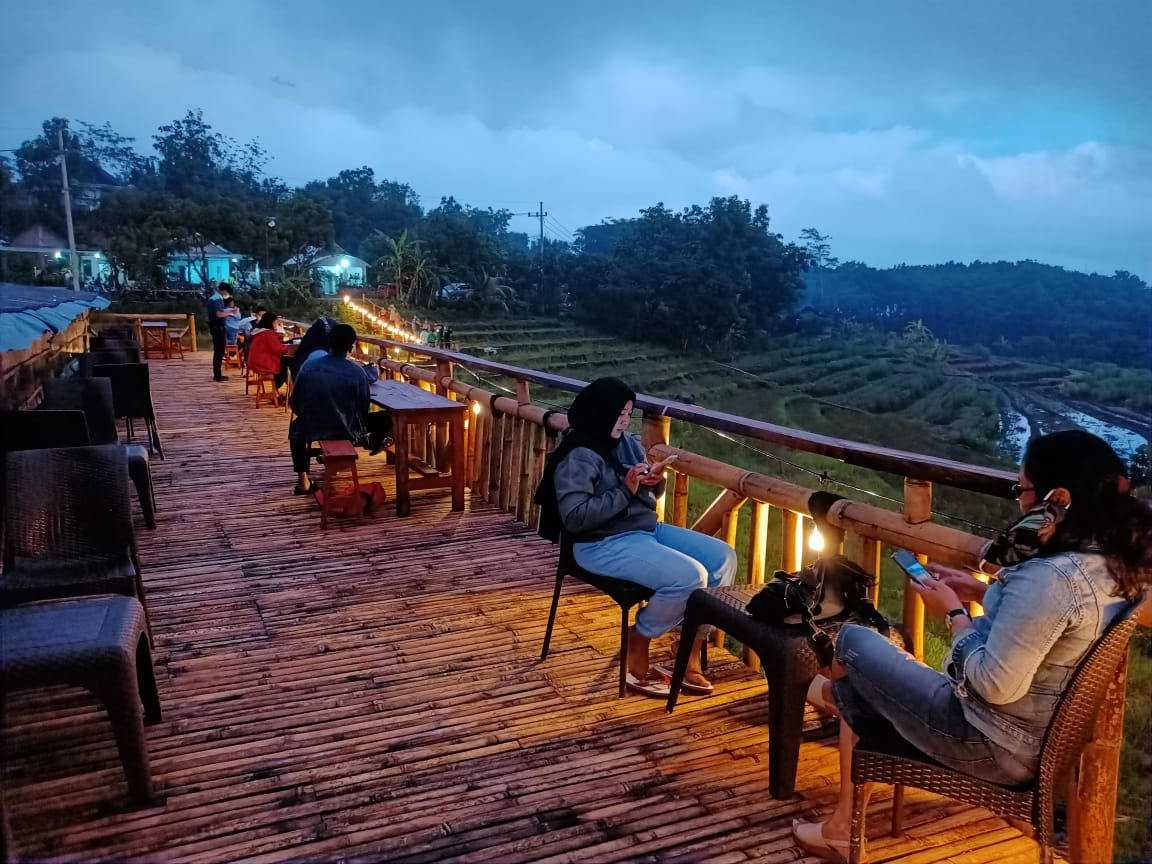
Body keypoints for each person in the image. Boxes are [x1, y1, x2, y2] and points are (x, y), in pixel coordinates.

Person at [792, 430, 1151, 862]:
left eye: (1022, 490)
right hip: (1030, 738)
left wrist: (953, 614)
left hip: (986, 741)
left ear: (1058, 496)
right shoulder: (1111, 561)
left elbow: (994, 684)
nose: (1019, 501)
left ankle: (819, 695)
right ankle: (838, 819)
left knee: (853, 638)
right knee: (865, 687)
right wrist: (980, 593)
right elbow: (1051, 627)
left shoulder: (1051, 577)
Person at [547, 377, 737, 698]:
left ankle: (688, 649)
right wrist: (626, 489)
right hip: (600, 541)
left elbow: (645, 491)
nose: (624, 419)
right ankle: (638, 639)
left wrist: (654, 481)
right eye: (618, 412)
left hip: (645, 529)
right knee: (691, 576)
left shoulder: (628, 442)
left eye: (628, 412)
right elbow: (576, 518)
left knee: (722, 558)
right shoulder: (579, 454)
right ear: (600, 411)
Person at [287, 324, 391, 495]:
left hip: (312, 428)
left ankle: (303, 482)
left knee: (296, 428)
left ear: (329, 343)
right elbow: (362, 408)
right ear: (351, 347)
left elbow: (295, 403)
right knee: (386, 417)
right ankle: (373, 443)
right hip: (346, 430)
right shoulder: (357, 372)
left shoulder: (308, 367)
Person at [247, 312, 290, 397]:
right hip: (263, 363)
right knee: (287, 365)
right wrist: (289, 348)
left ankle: (278, 390)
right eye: (276, 323)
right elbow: (278, 349)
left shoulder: (258, 331)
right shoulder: (268, 333)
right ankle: (285, 391)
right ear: (271, 323)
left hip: (254, 362)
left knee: (284, 364)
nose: (277, 325)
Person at [206, 282, 237, 381]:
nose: (227, 295)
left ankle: (217, 374)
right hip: (218, 328)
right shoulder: (218, 299)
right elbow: (219, 314)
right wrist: (231, 312)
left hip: (214, 327)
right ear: (224, 291)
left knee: (217, 351)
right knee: (219, 351)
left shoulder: (212, 298)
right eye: (227, 293)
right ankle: (218, 375)